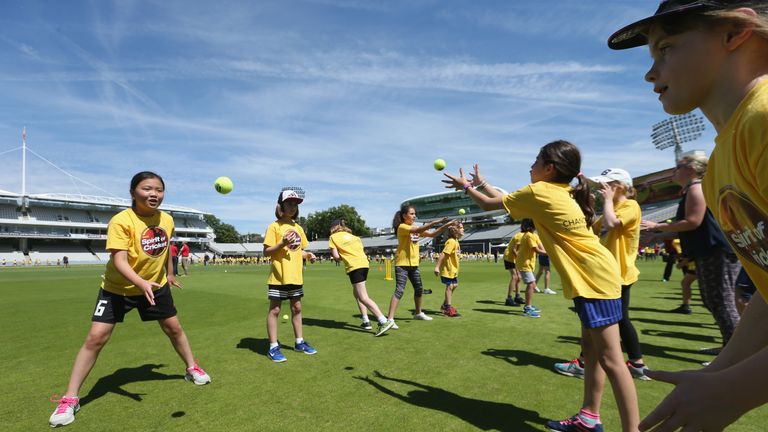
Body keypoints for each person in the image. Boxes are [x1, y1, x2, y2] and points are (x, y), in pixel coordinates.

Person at [609, 1, 768, 430]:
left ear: (735, 31)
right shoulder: (719, 166)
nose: (650, 72)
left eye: (667, 48)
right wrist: (720, 373)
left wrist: (736, 388)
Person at [443, 141, 638, 431]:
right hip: (596, 274)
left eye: (535, 161)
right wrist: (482, 183)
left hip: (593, 279)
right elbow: (509, 199)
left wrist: (467, 187)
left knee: (612, 360)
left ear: (549, 168)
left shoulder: (540, 192)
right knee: (592, 351)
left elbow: (489, 204)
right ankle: (589, 417)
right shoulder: (560, 191)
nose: (530, 166)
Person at [48, 171, 210, 428]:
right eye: (147, 189)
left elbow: (166, 247)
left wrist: (168, 273)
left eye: (159, 189)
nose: (154, 194)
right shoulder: (121, 221)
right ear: (133, 192)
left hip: (154, 286)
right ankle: (70, 398)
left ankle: (192, 368)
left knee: (174, 328)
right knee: (96, 338)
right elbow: (118, 260)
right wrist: (140, 282)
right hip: (118, 289)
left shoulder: (166, 219)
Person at [554, 168, 651, 382]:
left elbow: (611, 224)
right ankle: (634, 363)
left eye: (608, 185)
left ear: (621, 186)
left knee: (608, 319)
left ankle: (626, 363)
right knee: (611, 319)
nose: (603, 188)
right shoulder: (615, 206)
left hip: (620, 273)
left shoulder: (630, 206)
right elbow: (592, 228)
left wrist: (606, 201)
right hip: (608, 273)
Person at [640, 154, 740, 353]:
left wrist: (657, 225)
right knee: (714, 299)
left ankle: (736, 351)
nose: (675, 170)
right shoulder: (692, 189)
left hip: (716, 250)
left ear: (692, 169)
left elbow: (693, 221)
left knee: (721, 300)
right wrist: (658, 236)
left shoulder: (696, 188)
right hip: (710, 250)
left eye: (679, 166)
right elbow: (693, 227)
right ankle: (730, 346)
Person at [262, 189, 317, 362]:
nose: (292, 207)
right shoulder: (274, 226)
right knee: (275, 310)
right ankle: (273, 346)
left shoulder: (298, 228)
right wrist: (282, 243)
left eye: (295, 204)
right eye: (289, 203)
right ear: (281, 205)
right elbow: (266, 252)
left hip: (296, 276)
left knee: (297, 308)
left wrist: (308, 255)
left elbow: (299, 251)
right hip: (279, 276)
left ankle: (299, 342)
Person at [386, 205, 454, 327]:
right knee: (400, 290)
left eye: (414, 214)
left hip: (414, 265)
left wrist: (446, 225)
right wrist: (435, 222)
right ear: (404, 215)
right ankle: (390, 319)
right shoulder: (402, 227)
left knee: (419, 289)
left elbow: (433, 235)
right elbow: (418, 230)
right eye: (411, 214)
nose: (414, 216)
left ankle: (418, 313)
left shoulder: (413, 228)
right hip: (402, 265)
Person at [328, 219, 394, 336]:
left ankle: (383, 320)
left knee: (363, 297)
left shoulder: (333, 237)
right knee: (357, 294)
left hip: (354, 266)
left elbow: (336, 256)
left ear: (333, 228)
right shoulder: (354, 237)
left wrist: (343, 256)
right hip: (364, 264)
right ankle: (366, 320)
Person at [516, 219, 548, 318]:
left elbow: (541, 247)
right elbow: (536, 249)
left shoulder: (533, 235)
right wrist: (550, 253)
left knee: (533, 285)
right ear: (531, 226)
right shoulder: (529, 236)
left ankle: (528, 305)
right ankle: (527, 308)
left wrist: (548, 251)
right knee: (530, 284)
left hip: (528, 264)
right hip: (524, 264)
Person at [434, 222, 464, 317]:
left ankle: (444, 305)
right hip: (448, 269)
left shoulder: (455, 241)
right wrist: (437, 267)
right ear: (456, 231)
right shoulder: (451, 241)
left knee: (454, 285)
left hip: (453, 269)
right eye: (461, 228)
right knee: (450, 286)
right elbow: (443, 254)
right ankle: (448, 308)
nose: (463, 229)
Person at [503, 231, 524, 306]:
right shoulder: (520, 236)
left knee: (519, 277)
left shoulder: (527, 235)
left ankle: (517, 296)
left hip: (515, 258)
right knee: (514, 277)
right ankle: (509, 298)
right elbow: (514, 250)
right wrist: (520, 259)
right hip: (509, 257)